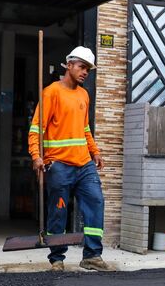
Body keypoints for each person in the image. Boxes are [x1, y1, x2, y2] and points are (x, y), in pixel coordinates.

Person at [28, 46, 112, 272]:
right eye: (82, 67)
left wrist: (95, 151)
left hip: (84, 165)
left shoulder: (84, 94)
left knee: (96, 202)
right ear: (70, 64)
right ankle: (57, 258)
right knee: (59, 211)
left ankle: (92, 255)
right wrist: (36, 156)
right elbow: (36, 128)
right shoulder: (51, 92)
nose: (85, 72)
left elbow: (85, 128)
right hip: (59, 165)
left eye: (88, 69)